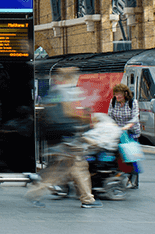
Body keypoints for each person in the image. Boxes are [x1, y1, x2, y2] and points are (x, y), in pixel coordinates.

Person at [25, 67, 102, 208]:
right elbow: (70, 111)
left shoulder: (54, 91)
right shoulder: (69, 90)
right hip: (69, 136)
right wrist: (84, 117)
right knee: (70, 167)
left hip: (56, 136)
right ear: (73, 76)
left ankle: (87, 198)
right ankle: (86, 199)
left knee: (71, 167)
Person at [108, 83, 140, 189]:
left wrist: (126, 127)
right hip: (118, 132)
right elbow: (110, 116)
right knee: (118, 155)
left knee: (131, 156)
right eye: (115, 95)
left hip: (131, 132)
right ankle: (120, 177)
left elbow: (135, 118)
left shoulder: (132, 102)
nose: (117, 97)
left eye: (119, 95)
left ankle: (133, 181)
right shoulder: (113, 102)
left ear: (125, 94)